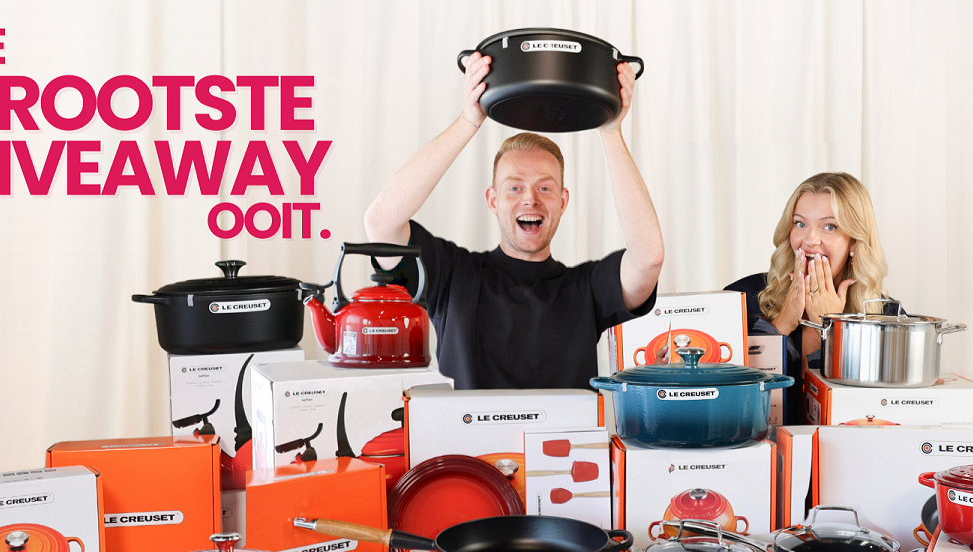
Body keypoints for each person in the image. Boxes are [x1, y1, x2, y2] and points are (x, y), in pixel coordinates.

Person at [364, 52, 663, 390]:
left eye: (545, 187)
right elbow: (381, 222)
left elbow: (649, 259)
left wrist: (611, 131)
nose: (530, 199)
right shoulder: (452, 275)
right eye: (514, 187)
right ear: (493, 200)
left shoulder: (588, 288)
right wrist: (468, 120)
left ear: (563, 202)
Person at [724, 172, 888, 422]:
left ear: (854, 242)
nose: (810, 240)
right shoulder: (742, 299)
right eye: (800, 224)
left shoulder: (885, 318)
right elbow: (730, 404)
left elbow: (867, 415)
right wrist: (778, 327)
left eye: (829, 226)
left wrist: (831, 329)